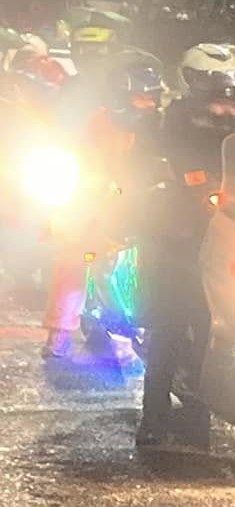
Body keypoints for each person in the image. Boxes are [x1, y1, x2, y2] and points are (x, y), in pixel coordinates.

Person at [134, 49, 235, 447]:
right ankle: (153, 417)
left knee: (218, 322)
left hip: (230, 235)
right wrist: (173, 181)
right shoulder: (166, 123)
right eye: (217, 97)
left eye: (231, 98)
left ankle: (203, 407)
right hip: (177, 234)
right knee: (172, 321)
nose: (225, 107)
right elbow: (149, 165)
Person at [41, 52, 166, 360]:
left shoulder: (162, 127)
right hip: (96, 205)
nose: (148, 106)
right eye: (141, 100)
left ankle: (154, 323)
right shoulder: (97, 123)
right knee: (75, 256)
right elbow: (82, 159)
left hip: (144, 206)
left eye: (151, 100)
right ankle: (60, 330)